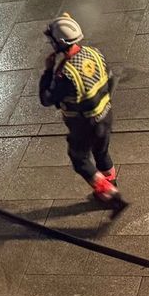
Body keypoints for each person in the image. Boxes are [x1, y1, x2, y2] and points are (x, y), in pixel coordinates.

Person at [38, 13, 125, 211]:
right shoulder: (94, 53)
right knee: (101, 153)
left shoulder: (66, 73)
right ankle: (112, 182)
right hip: (106, 116)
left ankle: (110, 194)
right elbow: (111, 80)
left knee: (79, 159)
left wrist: (48, 71)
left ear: (60, 42)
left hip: (85, 125)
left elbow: (46, 99)